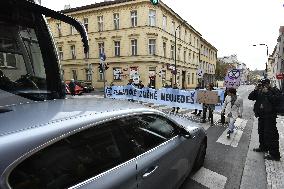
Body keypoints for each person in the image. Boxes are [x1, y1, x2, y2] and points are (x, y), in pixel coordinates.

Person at [248, 78, 281, 161]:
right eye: (262, 84)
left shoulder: (273, 90)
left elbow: (276, 100)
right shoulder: (259, 91)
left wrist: (268, 92)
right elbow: (250, 97)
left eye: (264, 84)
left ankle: (275, 154)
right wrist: (255, 90)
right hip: (261, 116)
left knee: (271, 135)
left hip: (270, 116)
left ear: (268, 84)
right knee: (261, 132)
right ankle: (263, 147)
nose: (263, 86)